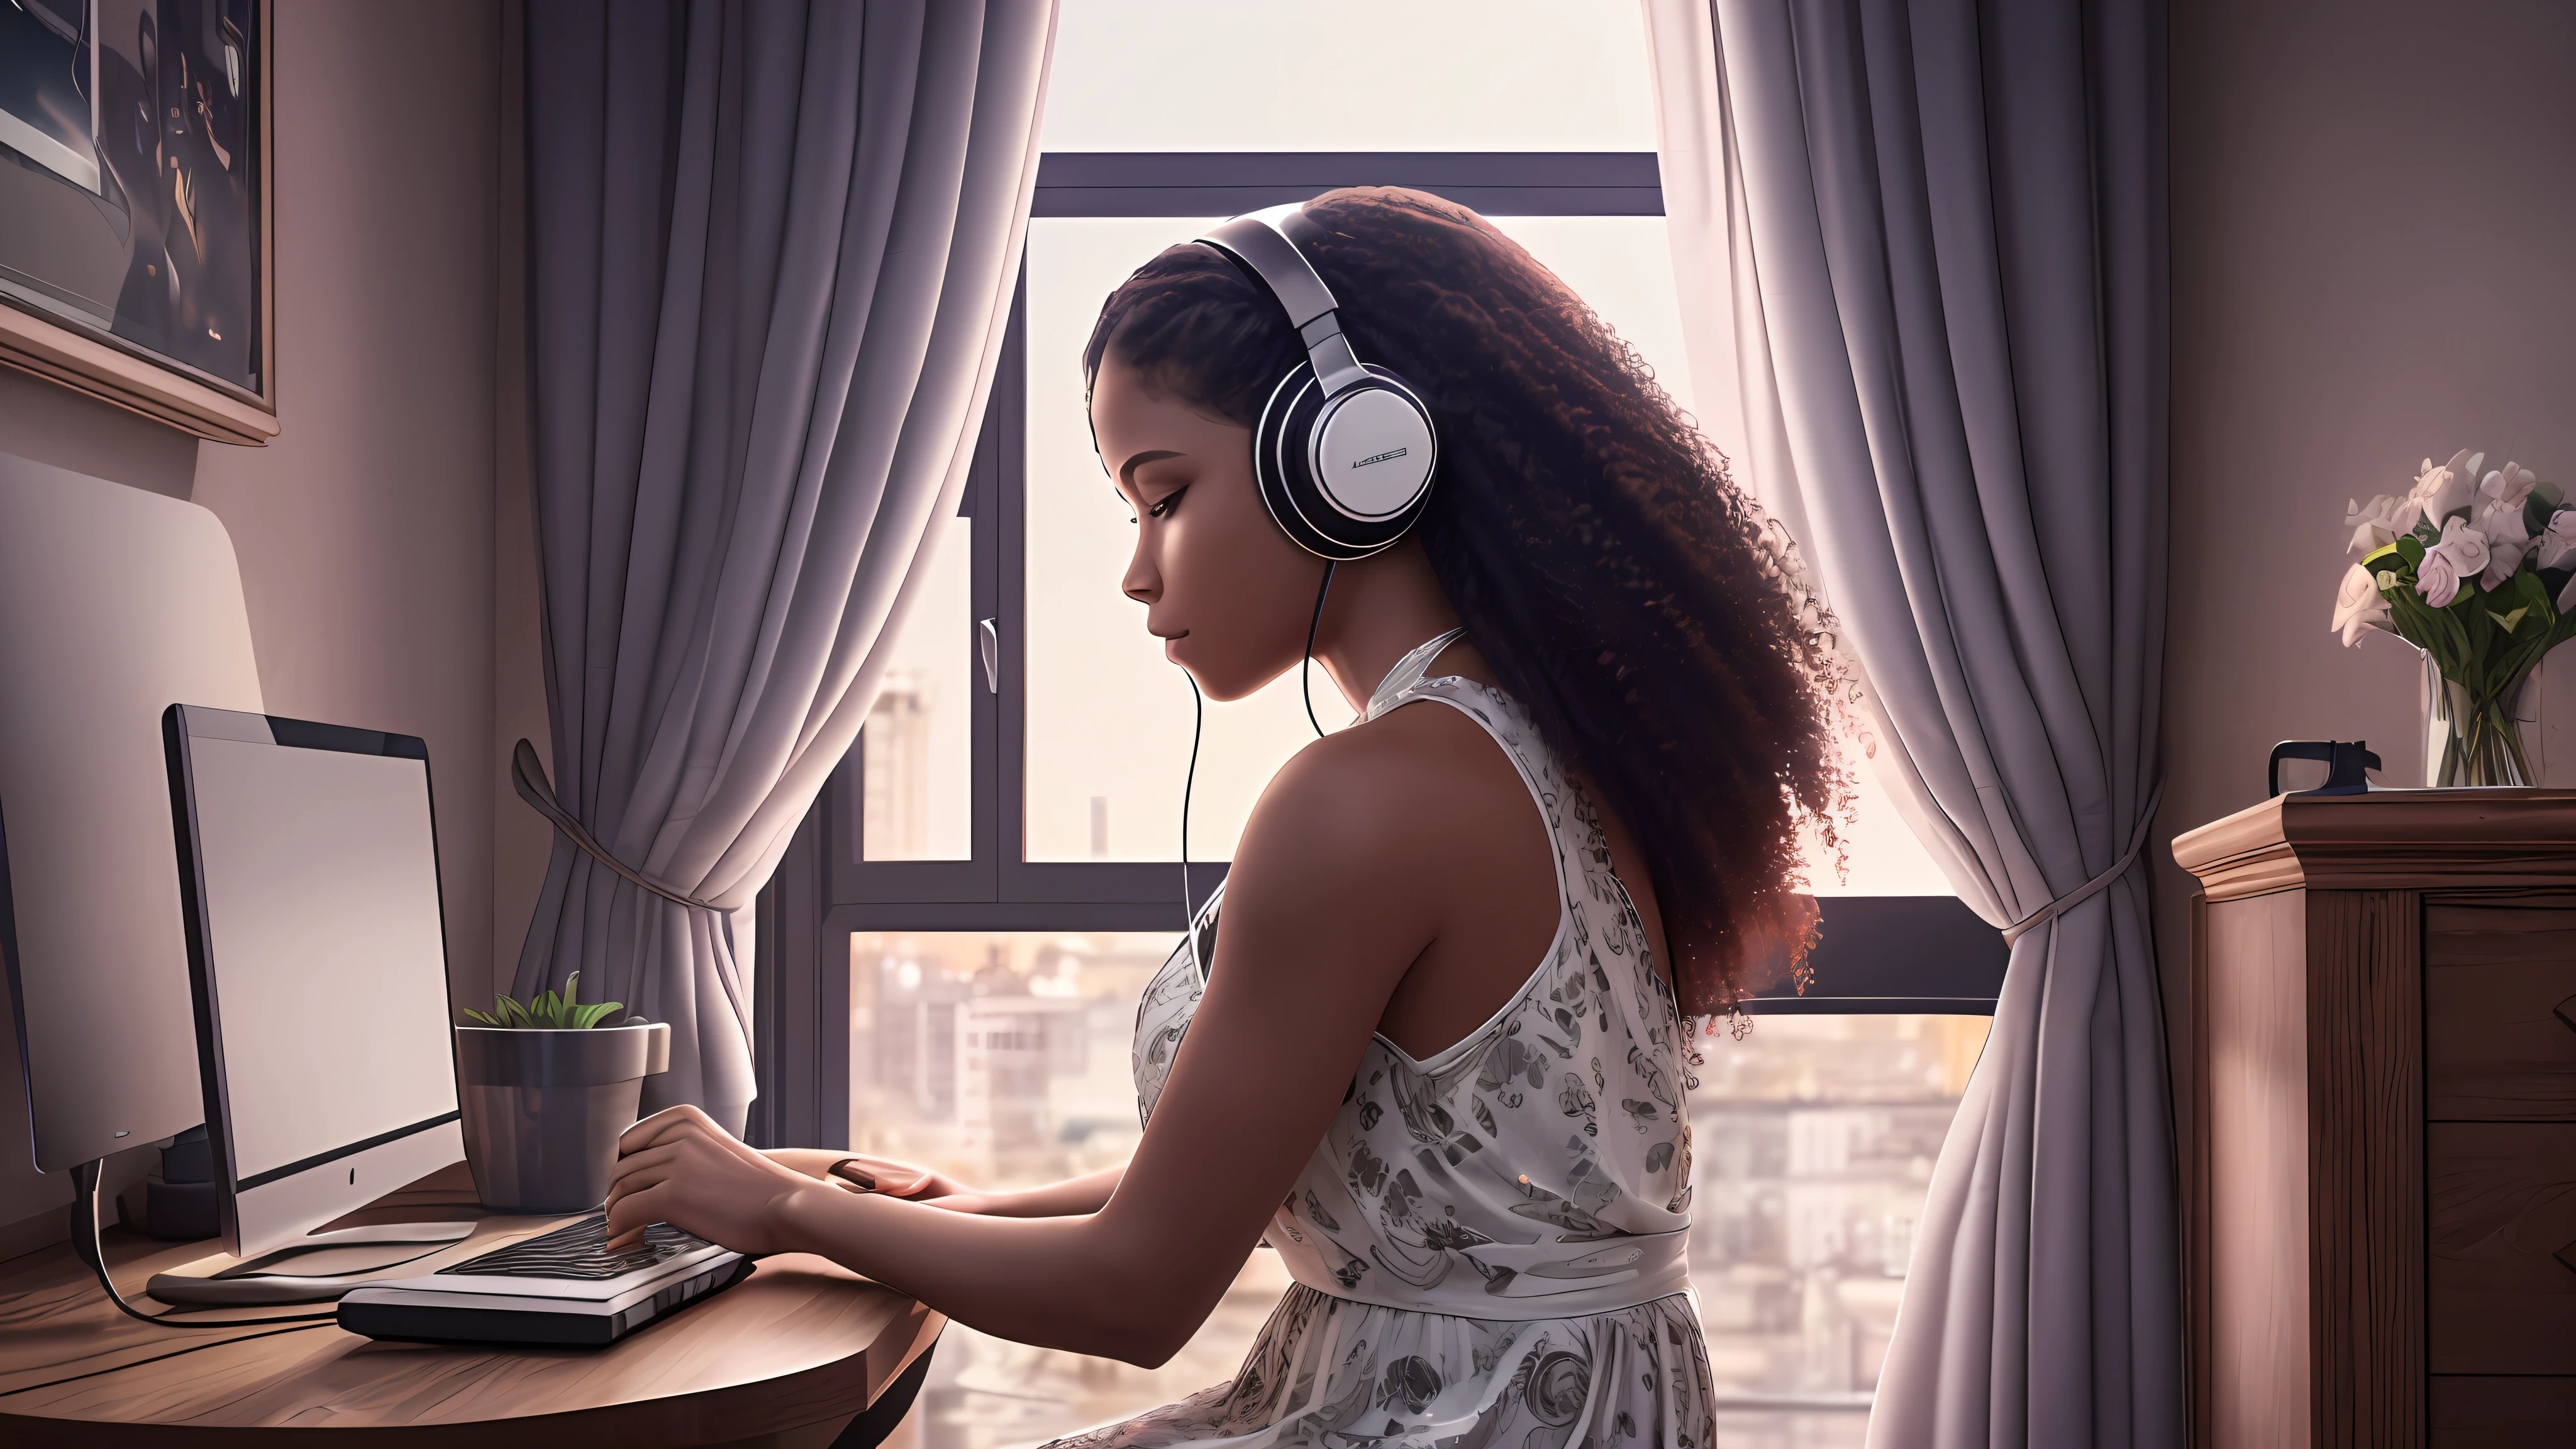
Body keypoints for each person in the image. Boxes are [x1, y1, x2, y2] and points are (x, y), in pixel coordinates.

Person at [606, 186, 1850, 1449]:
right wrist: (964, 1209)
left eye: (1165, 495)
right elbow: (1322, 1162)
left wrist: (786, 1214)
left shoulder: (1368, 803)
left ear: (1348, 461)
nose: (1138, 571)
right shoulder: (1543, 747)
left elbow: (1138, 1294)